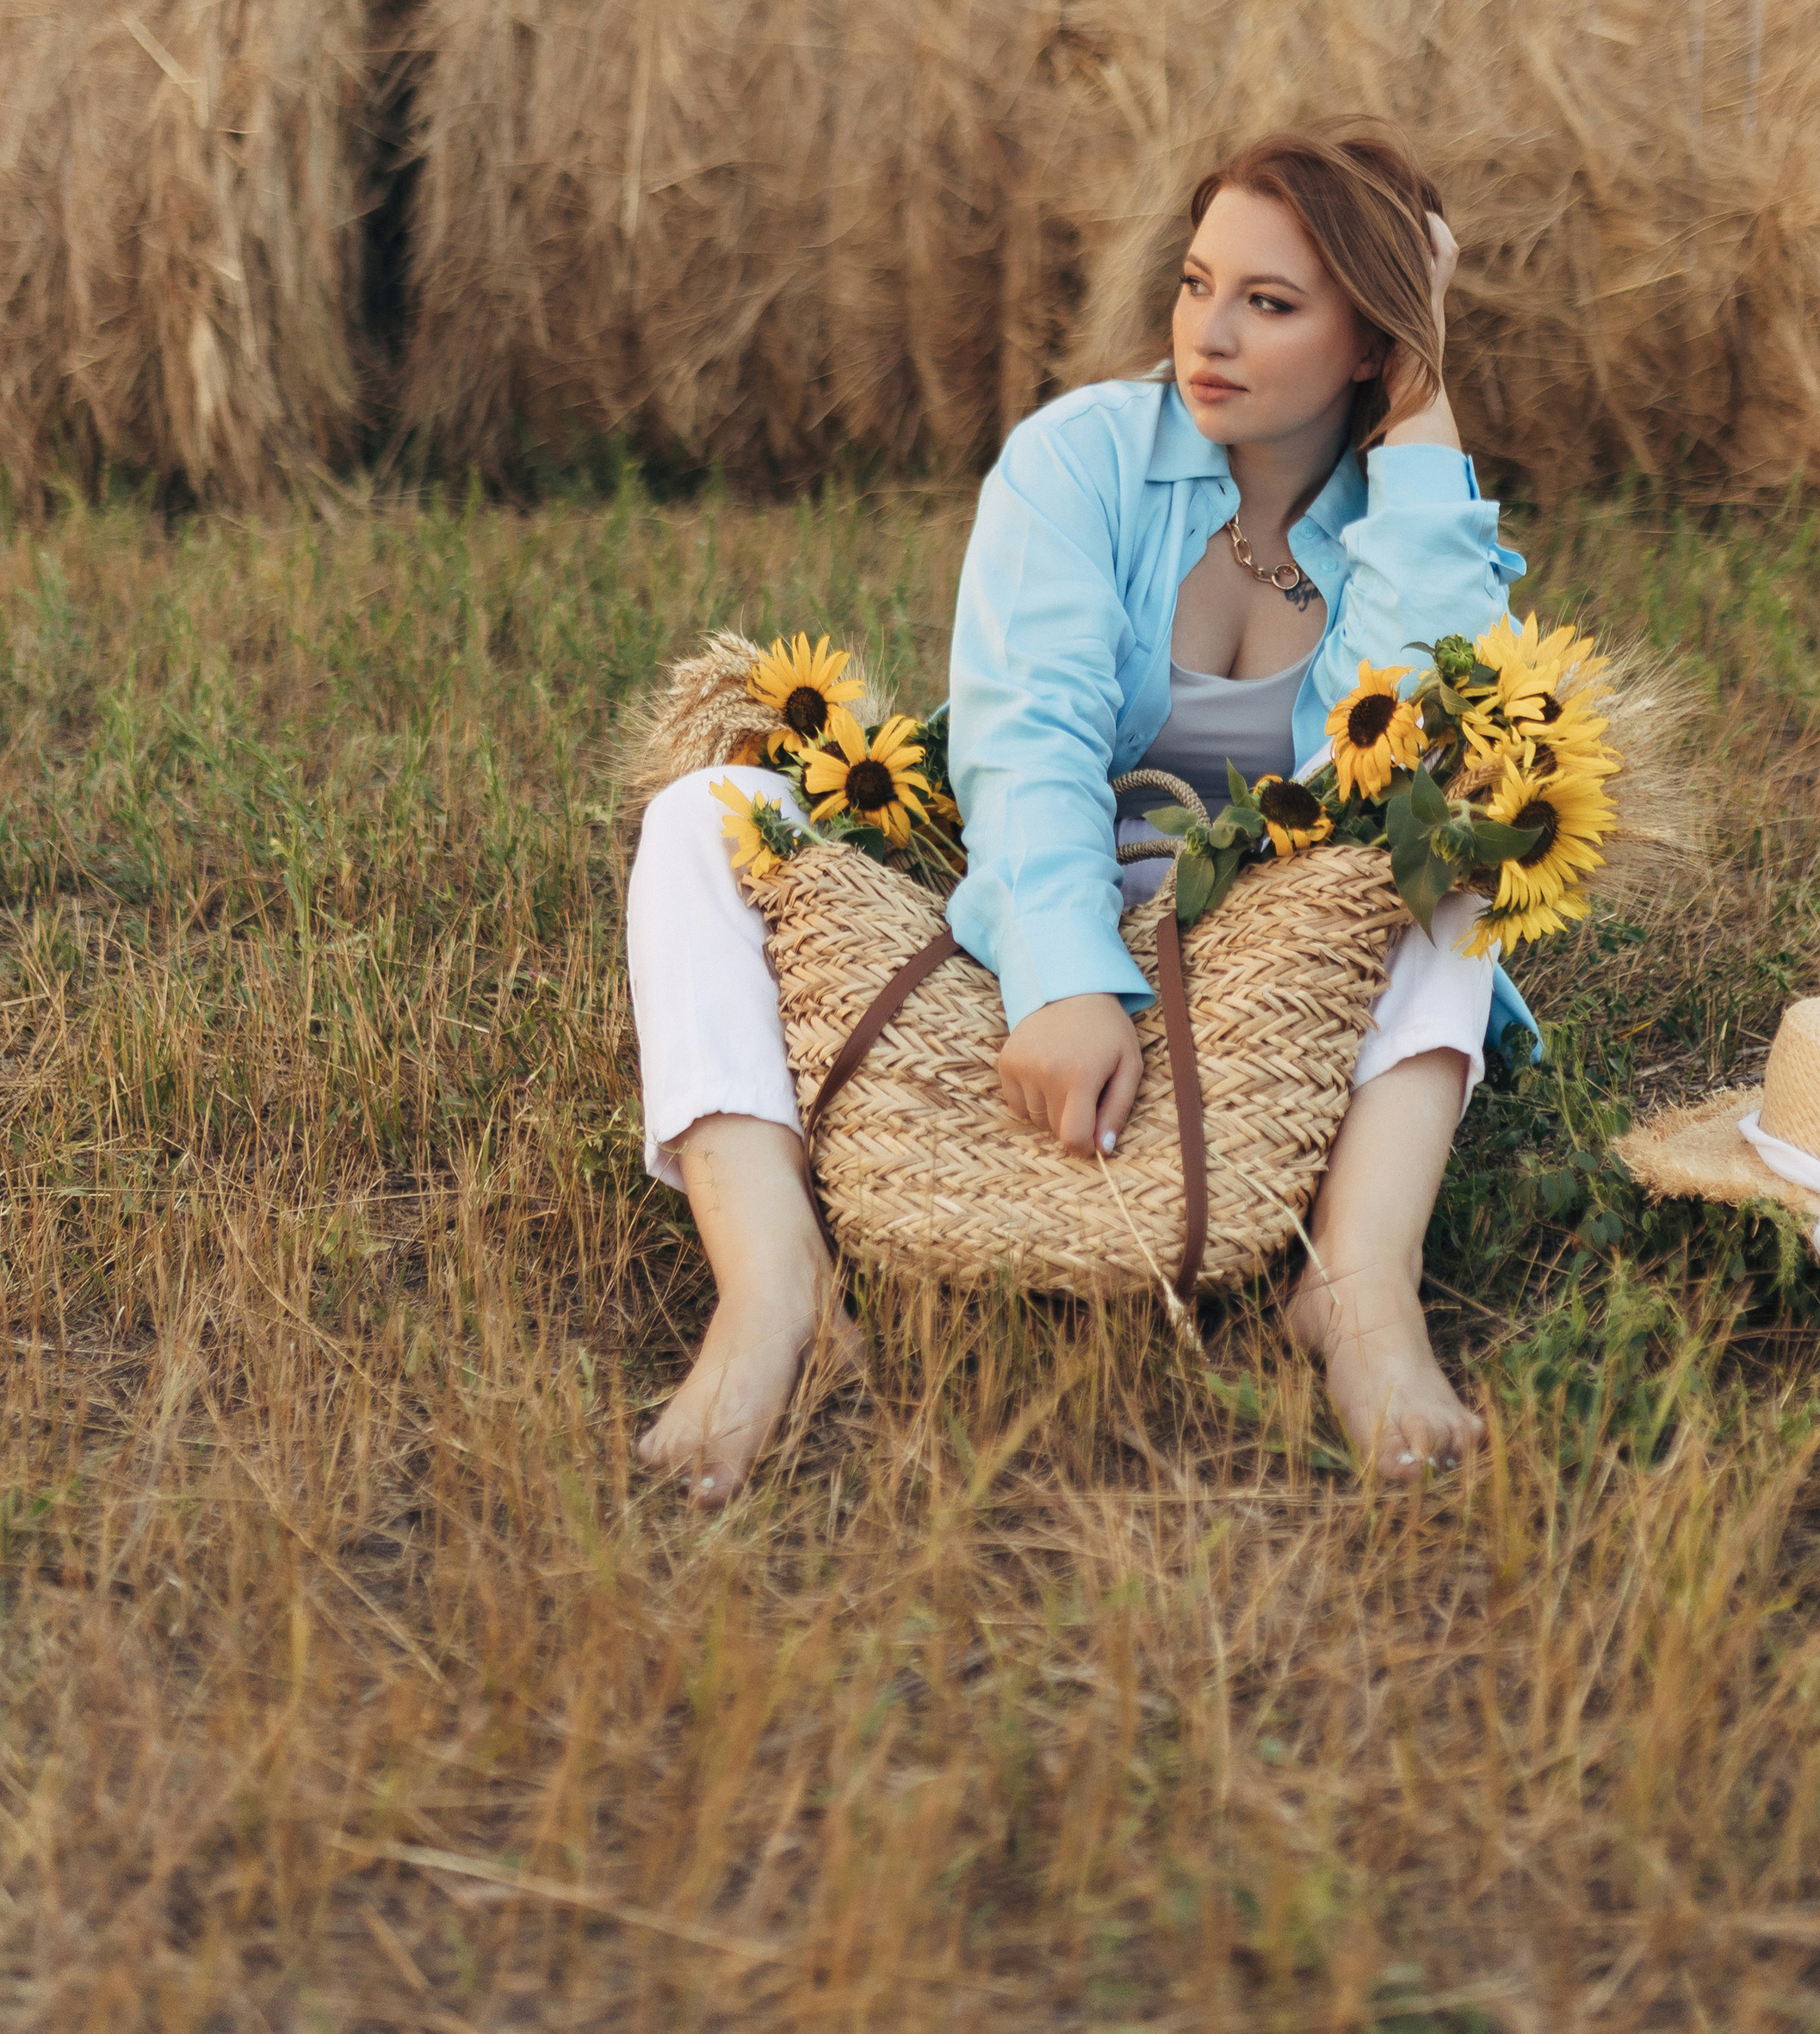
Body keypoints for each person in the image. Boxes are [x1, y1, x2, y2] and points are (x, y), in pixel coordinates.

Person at [627, 121, 1534, 1500]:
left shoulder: (1402, 509)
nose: (1207, 333)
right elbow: (1029, 735)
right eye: (1197, 283)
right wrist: (1063, 980)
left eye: (1270, 303)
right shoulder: (1079, 459)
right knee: (707, 814)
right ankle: (772, 1288)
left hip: (1290, 940)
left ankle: (1361, 1288)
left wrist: (1421, 419)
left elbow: (1416, 742)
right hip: (1040, 896)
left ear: (1370, 343)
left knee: (1456, 830)